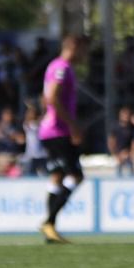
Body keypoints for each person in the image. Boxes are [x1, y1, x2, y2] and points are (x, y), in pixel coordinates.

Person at [39, 35, 85, 244]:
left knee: (57, 176)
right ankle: (49, 221)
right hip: (58, 131)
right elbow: (52, 97)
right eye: (83, 49)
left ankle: (50, 231)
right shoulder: (62, 68)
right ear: (73, 46)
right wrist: (72, 125)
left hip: (49, 130)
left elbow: (45, 98)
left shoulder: (54, 66)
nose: (84, 55)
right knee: (76, 175)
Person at [108, 106, 134, 177]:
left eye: (128, 115)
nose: (126, 117)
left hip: (128, 154)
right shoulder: (115, 127)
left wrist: (130, 153)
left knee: (131, 172)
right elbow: (111, 142)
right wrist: (116, 155)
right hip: (118, 154)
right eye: (124, 115)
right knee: (118, 173)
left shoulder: (132, 127)